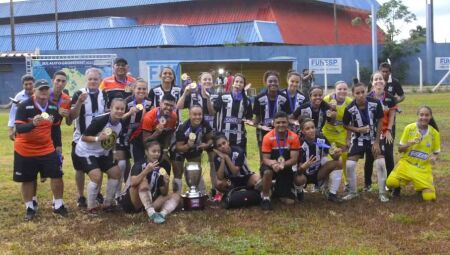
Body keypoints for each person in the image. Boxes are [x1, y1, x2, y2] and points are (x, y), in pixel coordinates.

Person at [14, 79, 67, 220]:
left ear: (49, 91)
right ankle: (30, 208)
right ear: (34, 91)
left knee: (57, 175)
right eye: (40, 89)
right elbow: (18, 128)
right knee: (28, 178)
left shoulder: (53, 107)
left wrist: (58, 147)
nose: (43, 92)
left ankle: (58, 205)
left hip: (46, 148)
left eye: (45, 89)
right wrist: (32, 124)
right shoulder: (24, 106)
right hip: (25, 149)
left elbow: (56, 128)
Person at [74, 98, 126, 214]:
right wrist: (98, 138)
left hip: (102, 153)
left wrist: (113, 153)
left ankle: (107, 204)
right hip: (86, 151)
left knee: (116, 173)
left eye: (122, 109)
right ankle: (91, 207)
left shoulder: (120, 123)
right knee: (96, 177)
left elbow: (113, 139)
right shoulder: (100, 120)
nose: (119, 111)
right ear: (111, 108)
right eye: (117, 108)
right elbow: (84, 137)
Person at [342, 82, 389, 202]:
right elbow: (345, 125)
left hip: (374, 138)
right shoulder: (349, 108)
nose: (361, 95)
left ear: (366, 92)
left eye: (363, 92)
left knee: (380, 163)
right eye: (357, 93)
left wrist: (377, 141)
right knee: (350, 165)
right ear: (353, 94)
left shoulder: (375, 103)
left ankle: (382, 193)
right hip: (359, 140)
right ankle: (353, 192)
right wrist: (357, 129)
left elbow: (380, 120)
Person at [69, 68, 108, 208]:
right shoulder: (79, 93)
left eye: (95, 79)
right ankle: (80, 196)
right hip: (80, 138)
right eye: (90, 79)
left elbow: (107, 114)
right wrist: (79, 102)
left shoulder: (104, 94)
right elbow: (72, 116)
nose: (92, 81)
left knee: (99, 167)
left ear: (100, 80)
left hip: (98, 138)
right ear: (86, 80)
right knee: (79, 169)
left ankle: (97, 193)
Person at [118, 141, 181, 224]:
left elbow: (163, 193)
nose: (157, 154)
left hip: (148, 203)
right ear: (146, 152)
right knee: (143, 181)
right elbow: (133, 183)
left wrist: (166, 183)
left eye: (158, 151)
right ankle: (152, 214)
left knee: (176, 195)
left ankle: (162, 214)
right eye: (154, 151)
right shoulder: (139, 164)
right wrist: (146, 171)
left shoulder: (160, 169)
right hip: (131, 202)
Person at [386, 106, 440, 201]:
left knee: (429, 197)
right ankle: (398, 187)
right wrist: (409, 144)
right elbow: (400, 149)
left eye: (426, 115)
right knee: (391, 182)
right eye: (421, 115)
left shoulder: (434, 133)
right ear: (417, 116)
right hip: (407, 164)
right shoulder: (409, 128)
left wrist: (434, 158)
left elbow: (436, 152)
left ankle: (422, 186)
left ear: (430, 117)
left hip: (422, 168)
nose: (424, 117)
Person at [177, 72, 218, 195]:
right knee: (196, 162)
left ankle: (215, 190)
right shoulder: (192, 93)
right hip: (193, 132)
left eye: (209, 79)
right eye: (204, 79)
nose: (207, 82)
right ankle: (201, 191)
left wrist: (208, 98)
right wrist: (185, 91)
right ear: (199, 81)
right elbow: (179, 106)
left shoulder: (215, 95)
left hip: (208, 130)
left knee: (214, 161)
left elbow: (212, 113)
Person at [260, 111, 301, 210]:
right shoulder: (267, 137)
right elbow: (265, 159)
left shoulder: (294, 137)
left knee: (289, 202)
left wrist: (283, 165)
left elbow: (294, 159)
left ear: (288, 123)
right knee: (267, 172)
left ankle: (274, 188)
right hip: (271, 165)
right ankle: (265, 197)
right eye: (278, 123)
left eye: (283, 122)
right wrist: (273, 163)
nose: (281, 125)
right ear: (273, 123)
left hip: (285, 167)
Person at [295, 118, 343, 202]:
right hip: (304, 175)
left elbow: (333, 156)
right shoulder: (299, 143)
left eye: (313, 127)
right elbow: (297, 171)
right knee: (299, 179)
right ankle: (299, 192)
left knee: (338, 163)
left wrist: (337, 154)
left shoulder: (321, 138)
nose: (311, 130)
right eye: (307, 129)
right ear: (302, 131)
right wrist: (304, 167)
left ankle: (332, 193)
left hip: (318, 173)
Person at [364, 72, 397, 192]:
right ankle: (367, 184)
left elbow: (392, 116)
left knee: (388, 155)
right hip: (371, 131)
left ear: (385, 81)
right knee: (370, 157)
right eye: (376, 79)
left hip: (386, 131)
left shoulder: (390, 98)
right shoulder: (367, 97)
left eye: (381, 79)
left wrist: (388, 130)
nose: (378, 81)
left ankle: (390, 182)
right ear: (372, 83)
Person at [172, 105, 213, 193]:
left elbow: (210, 138)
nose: (197, 117)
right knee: (178, 173)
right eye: (194, 114)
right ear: (189, 115)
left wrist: (206, 144)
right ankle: (177, 196)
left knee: (196, 170)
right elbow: (179, 147)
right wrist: (187, 146)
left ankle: (201, 193)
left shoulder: (205, 124)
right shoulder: (183, 128)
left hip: (195, 149)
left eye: (200, 114)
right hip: (179, 150)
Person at [322, 81, 353, 196]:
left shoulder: (350, 102)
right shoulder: (327, 99)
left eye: (345, 89)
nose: (342, 91)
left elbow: (350, 122)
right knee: (327, 157)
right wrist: (331, 114)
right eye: (339, 89)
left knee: (344, 156)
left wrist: (348, 138)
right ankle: (323, 184)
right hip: (327, 133)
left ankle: (347, 182)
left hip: (341, 134)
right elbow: (322, 116)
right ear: (335, 90)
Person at [253, 70, 290, 160]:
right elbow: (256, 120)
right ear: (266, 83)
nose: (273, 83)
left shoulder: (284, 98)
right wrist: (260, 126)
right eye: (270, 81)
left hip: (280, 133)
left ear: (279, 83)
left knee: (279, 157)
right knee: (264, 160)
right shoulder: (259, 98)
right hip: (263, 134)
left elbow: (288, 117)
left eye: (275, 81)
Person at [214, 73, 253, 153]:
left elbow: (249, 118)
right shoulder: (222, 96)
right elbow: (214, 112)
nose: (238, 84)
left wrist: (253, 123)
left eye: (241, 82)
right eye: (236, 81)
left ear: (243, 85)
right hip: (222, 138)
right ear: (233, 83)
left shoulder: (247, 101)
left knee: (239, 162)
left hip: (239, 138)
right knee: (222, 162)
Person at [141, 93, 178, 165]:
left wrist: (165, 151)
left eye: (171, 106)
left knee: (166, 163)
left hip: (162, 142)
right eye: (166, 104)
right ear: (160, 103)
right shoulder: (149, 117)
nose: (168, 108)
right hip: (146, 143)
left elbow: (169, 134)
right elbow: (145, 142)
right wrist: (156, 133)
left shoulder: (173, 116)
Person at [8, 74, 35, 141]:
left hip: (37, 127)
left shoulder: (40, 94)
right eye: (26, 84)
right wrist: (11, 129)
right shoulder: (18, 96)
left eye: (30, 84)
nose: (28, 86)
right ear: (22, 85)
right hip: (22, 127)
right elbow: (13, 113)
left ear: (34, 84)